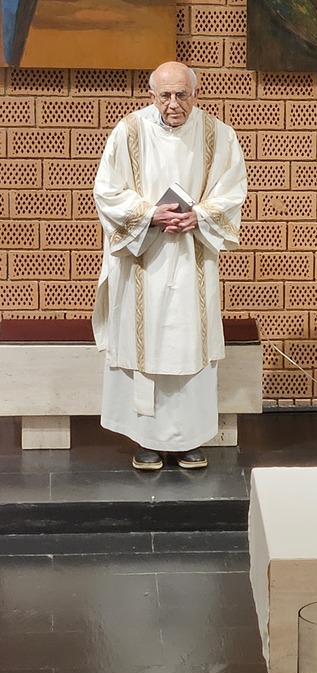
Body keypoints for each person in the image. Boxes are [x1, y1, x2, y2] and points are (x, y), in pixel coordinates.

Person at [93, 61, 248, 471]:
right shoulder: (128, 132)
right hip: (144, 258)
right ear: (151, 95)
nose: (173, 104)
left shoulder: (218, 135)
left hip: (193, 256)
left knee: (190, 344)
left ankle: (188, 439)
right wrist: (149, 214)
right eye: (165, 95)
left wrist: (200, 215)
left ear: (196, 94)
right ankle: (147, 439)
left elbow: (232, 190)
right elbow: (107, 191)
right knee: (143, 341)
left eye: (182, 95)